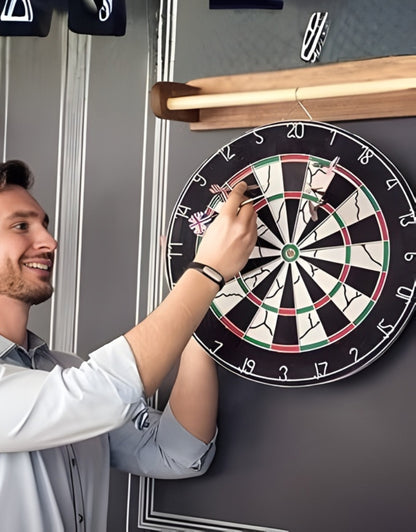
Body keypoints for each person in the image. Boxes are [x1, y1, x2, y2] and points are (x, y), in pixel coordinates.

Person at [0, 159, 257, 531]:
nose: (49, 242)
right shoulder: (81, 386)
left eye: (45, 224)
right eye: (21, 225)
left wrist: (202, 305)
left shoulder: (65, 370)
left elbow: (175, 452)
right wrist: (206, 272)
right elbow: (100, 393)